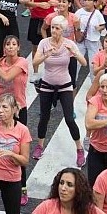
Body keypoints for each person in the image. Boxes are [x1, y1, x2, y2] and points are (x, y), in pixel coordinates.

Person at [32, 16, 87, 166]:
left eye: (57, 28)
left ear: (63, 30)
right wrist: (46, 55)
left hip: (64, 85)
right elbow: (35, 62)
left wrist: (74, 53)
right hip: (47, 85)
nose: (53, 30)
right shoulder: (44, 43)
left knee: (69, 118)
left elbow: (84, 62)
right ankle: (40, 145)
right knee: (44, 117)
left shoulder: (69, 43)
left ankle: (79, 149)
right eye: (52, 27)